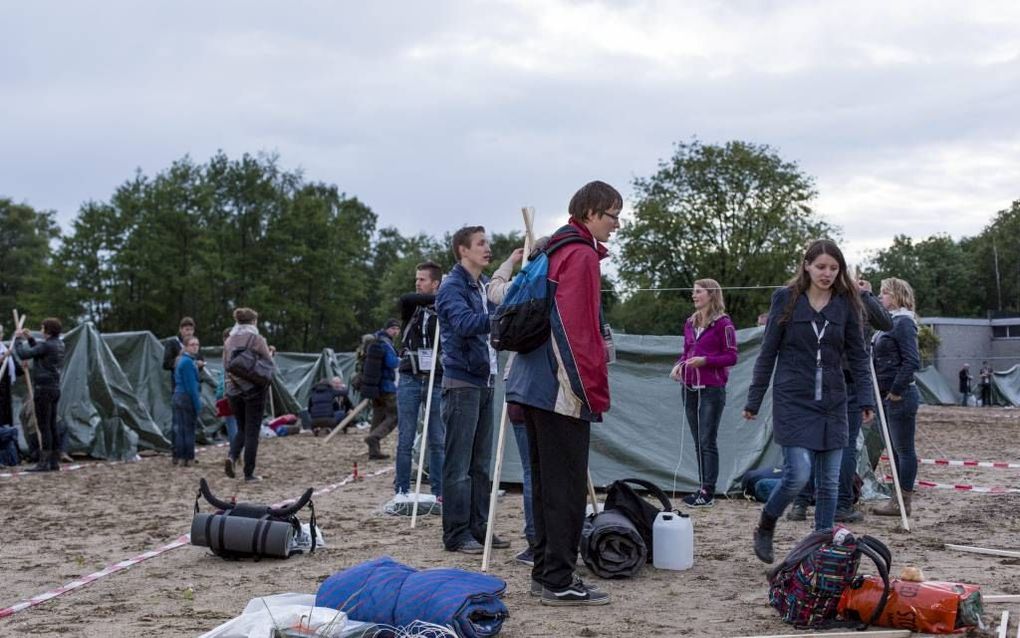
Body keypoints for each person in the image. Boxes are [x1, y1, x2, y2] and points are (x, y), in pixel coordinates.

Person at [506, 180, 621, 606]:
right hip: (560, 387)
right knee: (566, 488)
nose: (617, 224)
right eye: (612, 215)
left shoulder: (551, 249)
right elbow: (573, 331)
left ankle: (545, 573)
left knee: (545, 484)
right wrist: (590, 392)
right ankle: (557, 579)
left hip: (531, 383)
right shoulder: (581, 255)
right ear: (591, 212)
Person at [743, 239, 875, 564]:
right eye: (821, 267)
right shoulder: (785, 299)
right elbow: (768, 352)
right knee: (798, 474)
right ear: (806, 266)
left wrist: (866, 398)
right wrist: (754, 399)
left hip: (833, 401)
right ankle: (767, 522)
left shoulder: (847, 302)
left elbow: (858, 355)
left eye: (834, 268)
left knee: (829, 483)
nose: (827, 273)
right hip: (793, 399)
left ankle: (821, 547)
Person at [786, 278, 892, 523]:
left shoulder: (816, 297)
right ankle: (840, 504)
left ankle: (801, 503)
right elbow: (886, 322)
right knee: (843, 444)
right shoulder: (850, 300)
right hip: (843, 379)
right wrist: (866, 294)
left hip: (821, 377)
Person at [435, 225, 507, 555]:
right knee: (459, 466)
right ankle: (457, 534)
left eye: (487, 242)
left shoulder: (481, 286)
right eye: (480, 243)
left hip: (485, 380)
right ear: (463, 250)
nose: (486, 248)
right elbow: (464, 324)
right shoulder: (452, 286)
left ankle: (480, 528)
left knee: (480, 464)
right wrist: (500, 315)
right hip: (462, 382)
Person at [669, 279, 738, 508]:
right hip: (689, 389)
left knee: (708, 440)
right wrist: (679, 365)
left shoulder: (724, 324)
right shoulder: (690, 323)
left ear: (711, 294)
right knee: (698, 441)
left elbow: (732, 357)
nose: (694, 295)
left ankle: (708, 490)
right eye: (694, 292)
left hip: (712, 390)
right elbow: (686, 351)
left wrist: (706, 361)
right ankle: (702, 487)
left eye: (698, 292)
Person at [487, 244, 533, 564]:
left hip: (523, 388)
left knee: (534, 471)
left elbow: (494, 292)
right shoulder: (557, 285)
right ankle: (540, 538)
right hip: (539, 391)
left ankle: (537, 539)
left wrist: (509, 264)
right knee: (542, 471)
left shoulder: (525, 287)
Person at [394, 261, 446, 498]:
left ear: (435, 282)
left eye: (422, 279)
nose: (417, 283)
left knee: (437, 438)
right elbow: (406, 298)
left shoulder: (445, 309)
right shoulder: (411, 306)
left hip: (436, 378)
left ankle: (439, 491)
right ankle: (402, 490)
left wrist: (444, 298)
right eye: (417, 279)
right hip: (409, 378)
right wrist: (443, 294)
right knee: (405, 437)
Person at [872, 277, 921, 517]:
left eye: (885, 293)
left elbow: (912, 360)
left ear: (897, 296)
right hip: (885, 397)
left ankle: (903, 500)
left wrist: (895, 391)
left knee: (903, 449)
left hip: (899, 396)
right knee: (893, 450)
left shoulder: (902, 323)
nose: (881, 297)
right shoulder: (887, 323)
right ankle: (897, 499)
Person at [223, 307, 275, 482]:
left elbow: (226, 365)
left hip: (233, 389)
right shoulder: (256, 339)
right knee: (252, 431)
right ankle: (248, 473)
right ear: (253, 322)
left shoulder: (229, 340)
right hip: (254, 390)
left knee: (241, 428)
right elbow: (268, 362)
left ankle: (232, 455)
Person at [16, 318, 65, 472]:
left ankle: (43, 463)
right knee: (51, 425)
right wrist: (29, 338)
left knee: (44, 427)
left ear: (48, 330)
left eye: (42, 328)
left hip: (43, 389)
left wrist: (18, 339)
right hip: (55, 388)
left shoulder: (46, 345)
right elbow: (38, 351)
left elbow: (24, 354)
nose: (41, 330)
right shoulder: (59, 344)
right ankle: (54, 461)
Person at [364, 319, 401, 460]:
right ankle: (374, 437)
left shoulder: (376, 341)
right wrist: (403, 360)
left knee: (377, 417)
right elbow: (391, 363)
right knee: (395, 415)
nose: (396, 332)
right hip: (386, 385)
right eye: (393, 328)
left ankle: (374, 451)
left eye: (397, 329)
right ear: (387, 329)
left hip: (375, 386)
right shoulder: (385, 343)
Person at [172, 335, 203, 466]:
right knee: (189, 429)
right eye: (192, 344)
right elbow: (192, 387)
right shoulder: (188, 363)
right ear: (185, 346)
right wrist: (198, 405)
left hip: (177, 396)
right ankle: (189, 458)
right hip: (186, 397)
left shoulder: (181, 361)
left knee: (181, 429)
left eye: (197, 344)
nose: (195, 347)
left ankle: (180, 457)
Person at [0, 324, 16, 430]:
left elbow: (11, 366)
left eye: (1, 333)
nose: (1, 335)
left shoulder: (3, 346)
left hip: (4, 386)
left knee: (4, 412)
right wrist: (4, 356)